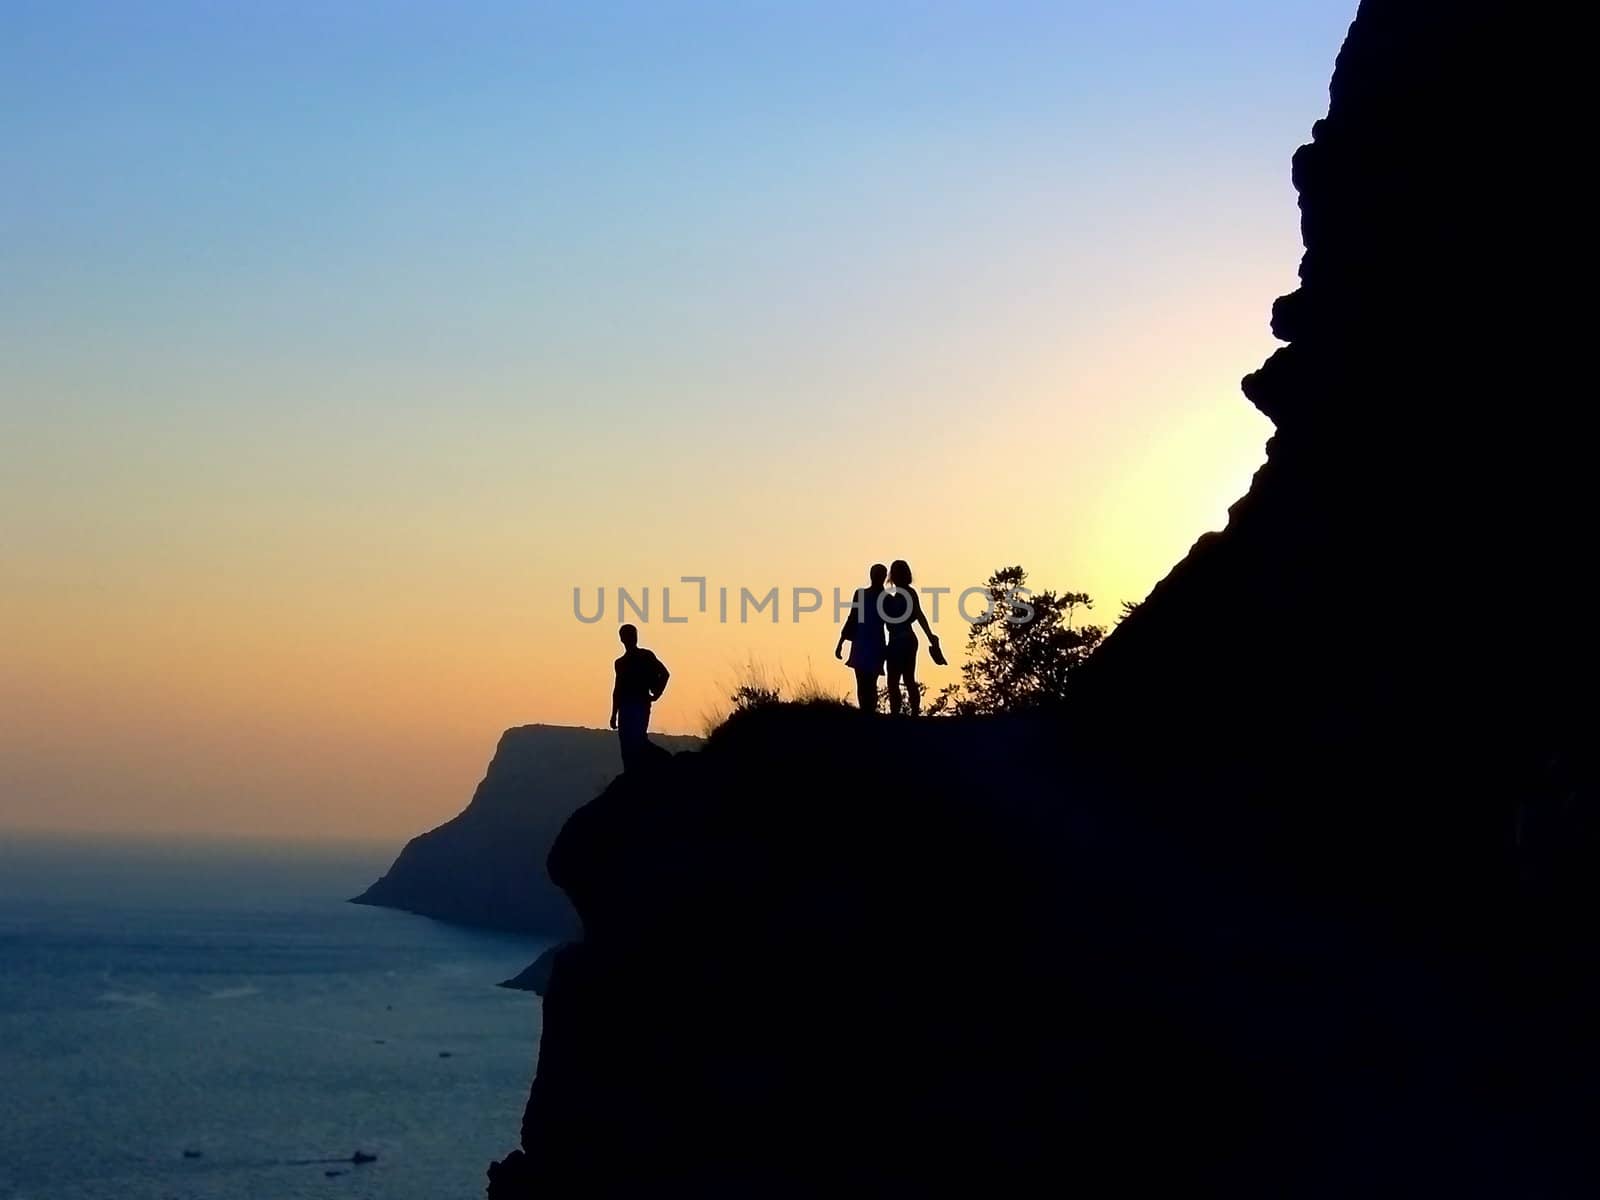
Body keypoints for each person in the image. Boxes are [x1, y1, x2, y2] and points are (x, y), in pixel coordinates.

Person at [880, 559, 939, 716]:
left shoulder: (898, 595)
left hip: (898, 640)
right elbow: (918, 615)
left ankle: (897, 713)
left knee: (894, 681)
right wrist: (929, 636)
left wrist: (930, 636)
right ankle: (913, 713)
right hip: (909, 639)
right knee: (908, 679)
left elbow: (913, 615)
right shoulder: (909, 593)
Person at [610, 624, 669, 770]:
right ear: (623, 639)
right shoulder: (620, 663)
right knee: (627, 741)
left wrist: (657, 694)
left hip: (640, 704)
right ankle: (631, 772)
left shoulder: (645, 656)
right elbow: (617, 690)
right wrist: (613, 714)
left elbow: (665, 673)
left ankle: (663, 760)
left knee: (637, 740)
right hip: (627, 706)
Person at [835, 563, 889, 711]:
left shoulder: (886, 598)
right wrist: (841, 642)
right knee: (861, 681)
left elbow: (892, 623)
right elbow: (852, 618)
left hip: (876, 643)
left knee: (871, 683)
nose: (878, 577)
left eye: (881, 575)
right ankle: (865, 712)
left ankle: (869, 712)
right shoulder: (860, 594)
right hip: (861, 642)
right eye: (876, 574)